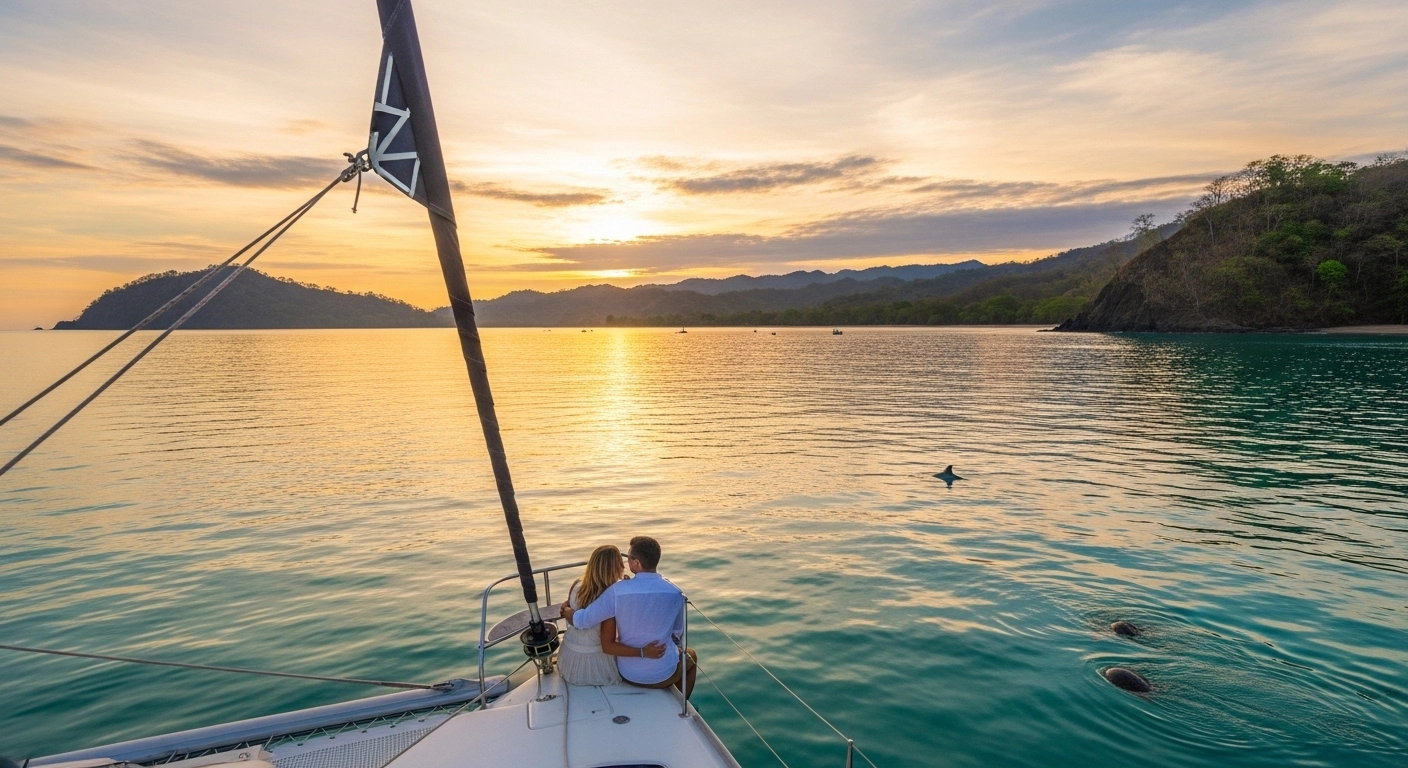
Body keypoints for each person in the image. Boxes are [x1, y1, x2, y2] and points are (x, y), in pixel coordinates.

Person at [561, 536, 696, 696]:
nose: (626, 563)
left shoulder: (616, 591)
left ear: (636, 563)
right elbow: (677, 633)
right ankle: (682, 702)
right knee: (691, 657)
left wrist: (567, 610)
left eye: (629, 557)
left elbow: (583, 620)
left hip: (628, 673)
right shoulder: (676, 592)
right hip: (663, 672)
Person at [557, 544, 665, 686]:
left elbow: (568, 605)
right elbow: (608, 646)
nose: (623, 568)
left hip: (568, 658)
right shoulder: (609, 599)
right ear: (614, 569)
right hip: (593, 665)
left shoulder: (577, 585)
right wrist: (643, 651)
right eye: (621, 564)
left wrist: (565, 609)